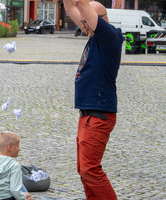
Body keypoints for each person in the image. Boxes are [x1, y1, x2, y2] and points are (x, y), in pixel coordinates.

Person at [63, 0, 123, 199]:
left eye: (86, 23)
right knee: (84, 170)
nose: (83, 27)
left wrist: (80, 4)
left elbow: (79, 4)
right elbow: (72, 8)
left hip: (99, 115)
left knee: (90, 170)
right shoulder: (95, 35)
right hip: (87, 114)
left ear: (99, 19)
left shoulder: (109, 37)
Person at [0, 131, 31, 200]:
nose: (19, 149)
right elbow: (14, 190)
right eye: (17, 146)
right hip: (8, 198)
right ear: (9, 148)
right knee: (27, 196)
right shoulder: (14, 165)